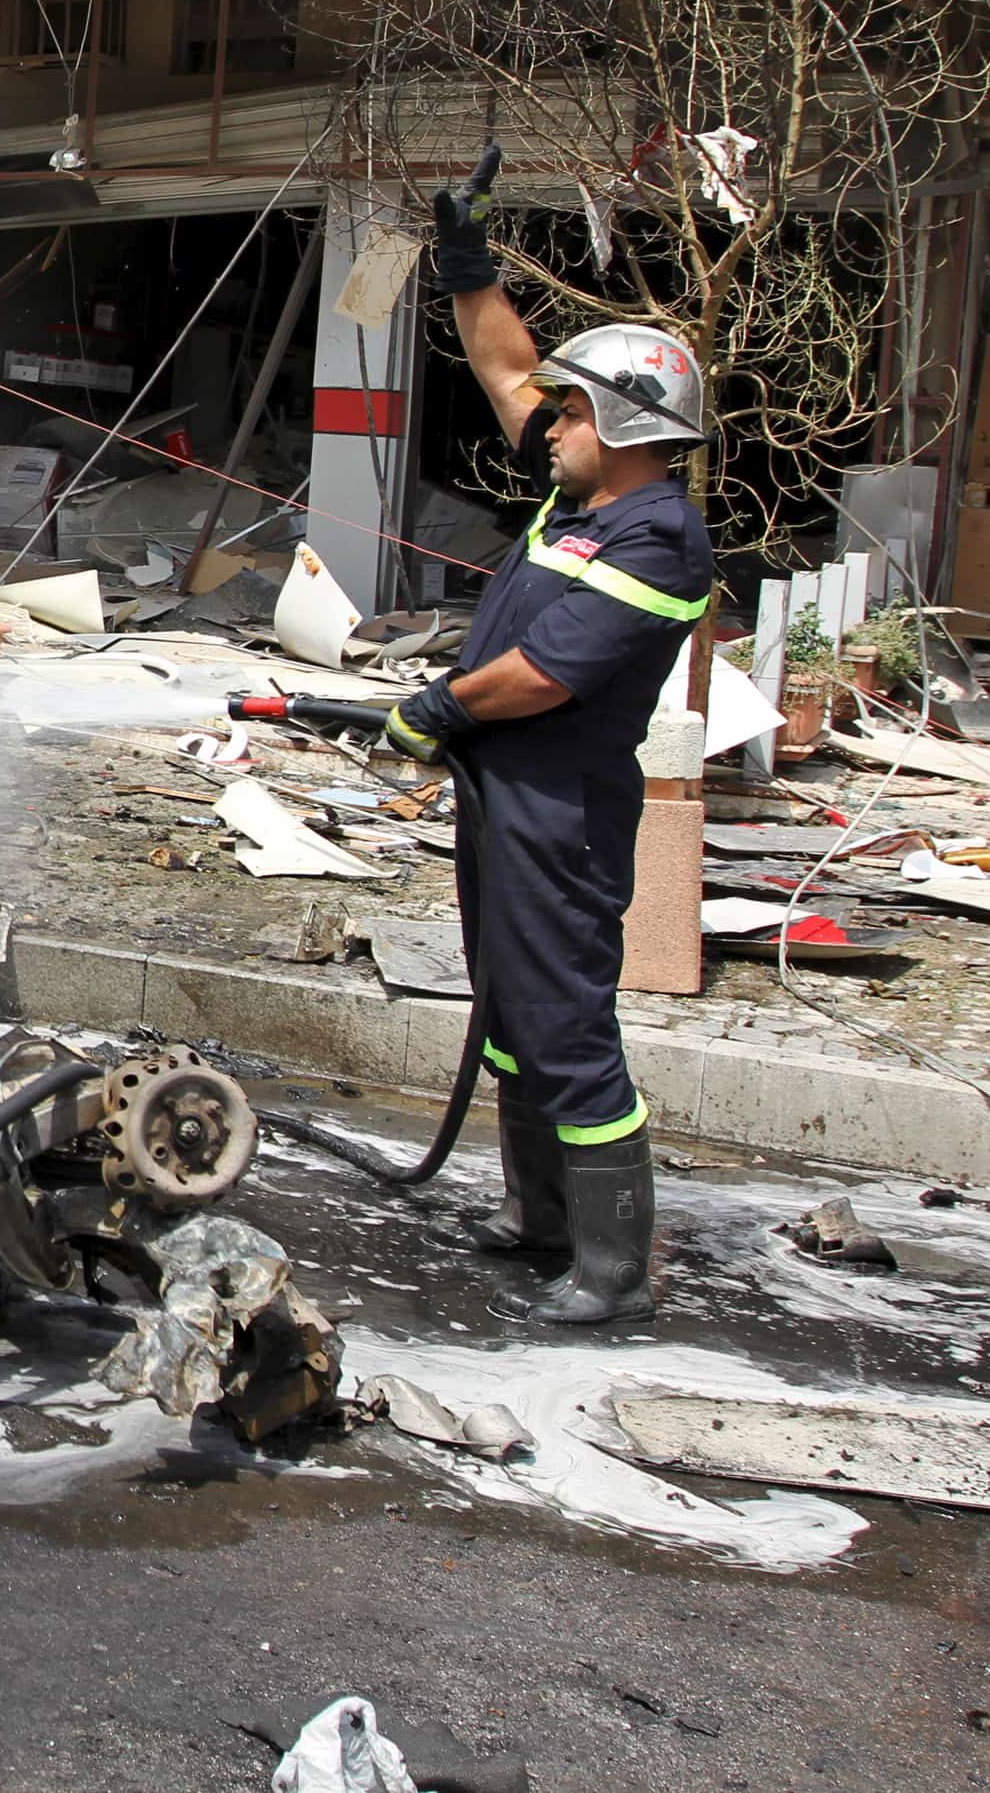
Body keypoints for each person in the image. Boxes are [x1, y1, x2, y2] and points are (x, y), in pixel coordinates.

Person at [388, 150, 715, 1325]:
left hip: (559, 806)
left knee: (566, 1019)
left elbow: (542, 674)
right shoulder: (582, 493)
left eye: (575, 409)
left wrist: (440, 705)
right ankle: (537, 1218)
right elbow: (506, 367)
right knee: (512, 1007)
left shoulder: (658, 537)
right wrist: (467, 262)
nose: (550, 418)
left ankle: (612, 1267)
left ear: (623, 424)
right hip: (503, 793)